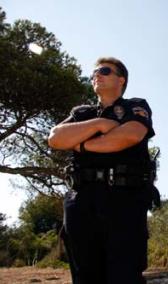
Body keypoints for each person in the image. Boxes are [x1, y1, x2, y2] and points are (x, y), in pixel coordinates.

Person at [48, 57, 155, 284]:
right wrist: (98, 125)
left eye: (105, 71)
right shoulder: (81, 113)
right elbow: (56, 138)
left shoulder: (134, 106)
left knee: (124, 276)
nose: (97, 75)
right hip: (81, 200)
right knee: (85, 276)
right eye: (94, 72)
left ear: (121, 80)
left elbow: (129, 135)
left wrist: (81, 145)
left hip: (124, 200)